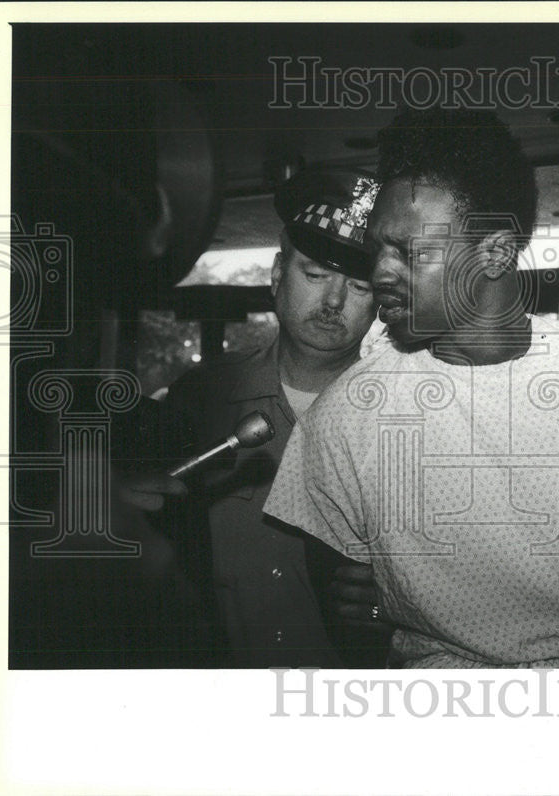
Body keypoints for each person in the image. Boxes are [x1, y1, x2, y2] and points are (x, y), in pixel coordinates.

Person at [264, 108, 559, 668]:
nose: (380, 273)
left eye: (411, 252)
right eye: (379, 248)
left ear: (494, 251)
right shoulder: (348, 413)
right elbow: (345, 614)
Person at [121, 165, 389, 667]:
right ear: (275, 274)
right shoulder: (200, 400)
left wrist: (403, 603)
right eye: (315, 275)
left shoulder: (405, 419)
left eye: (359, 286)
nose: (333, 301)